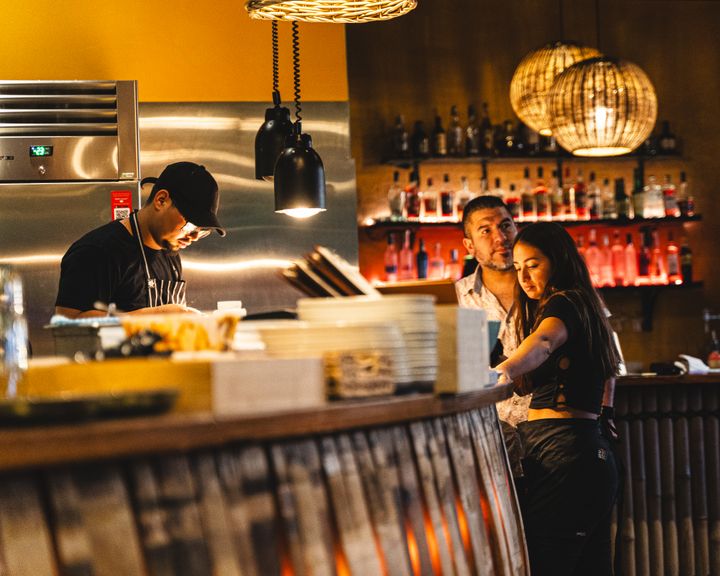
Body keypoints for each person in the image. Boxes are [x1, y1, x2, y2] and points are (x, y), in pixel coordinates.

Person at [495, 222, 621, 576]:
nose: (523, 276)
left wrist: (501, 370)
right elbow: (609, 369)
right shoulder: (587, 305)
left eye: (533, 264)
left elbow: (545, 342)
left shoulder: (564, 303)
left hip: (563, 455)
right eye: (517, 267)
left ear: (559, 260)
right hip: (588, 456)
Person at [55, 161, 225, 318]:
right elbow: (68, 325)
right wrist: (155, 317)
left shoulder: (170, 254)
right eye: (190, 226)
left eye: (202, 231)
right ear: (161, 200)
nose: (193, 237)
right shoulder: (97, 251)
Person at [455, 195, 530, 481]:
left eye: (506, 225)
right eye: (485, 230)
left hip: (549, 435)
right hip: (486, 443)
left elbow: (605, 351)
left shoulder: (546, 286)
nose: (500, 237)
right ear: (469, 246)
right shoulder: (456, 298)